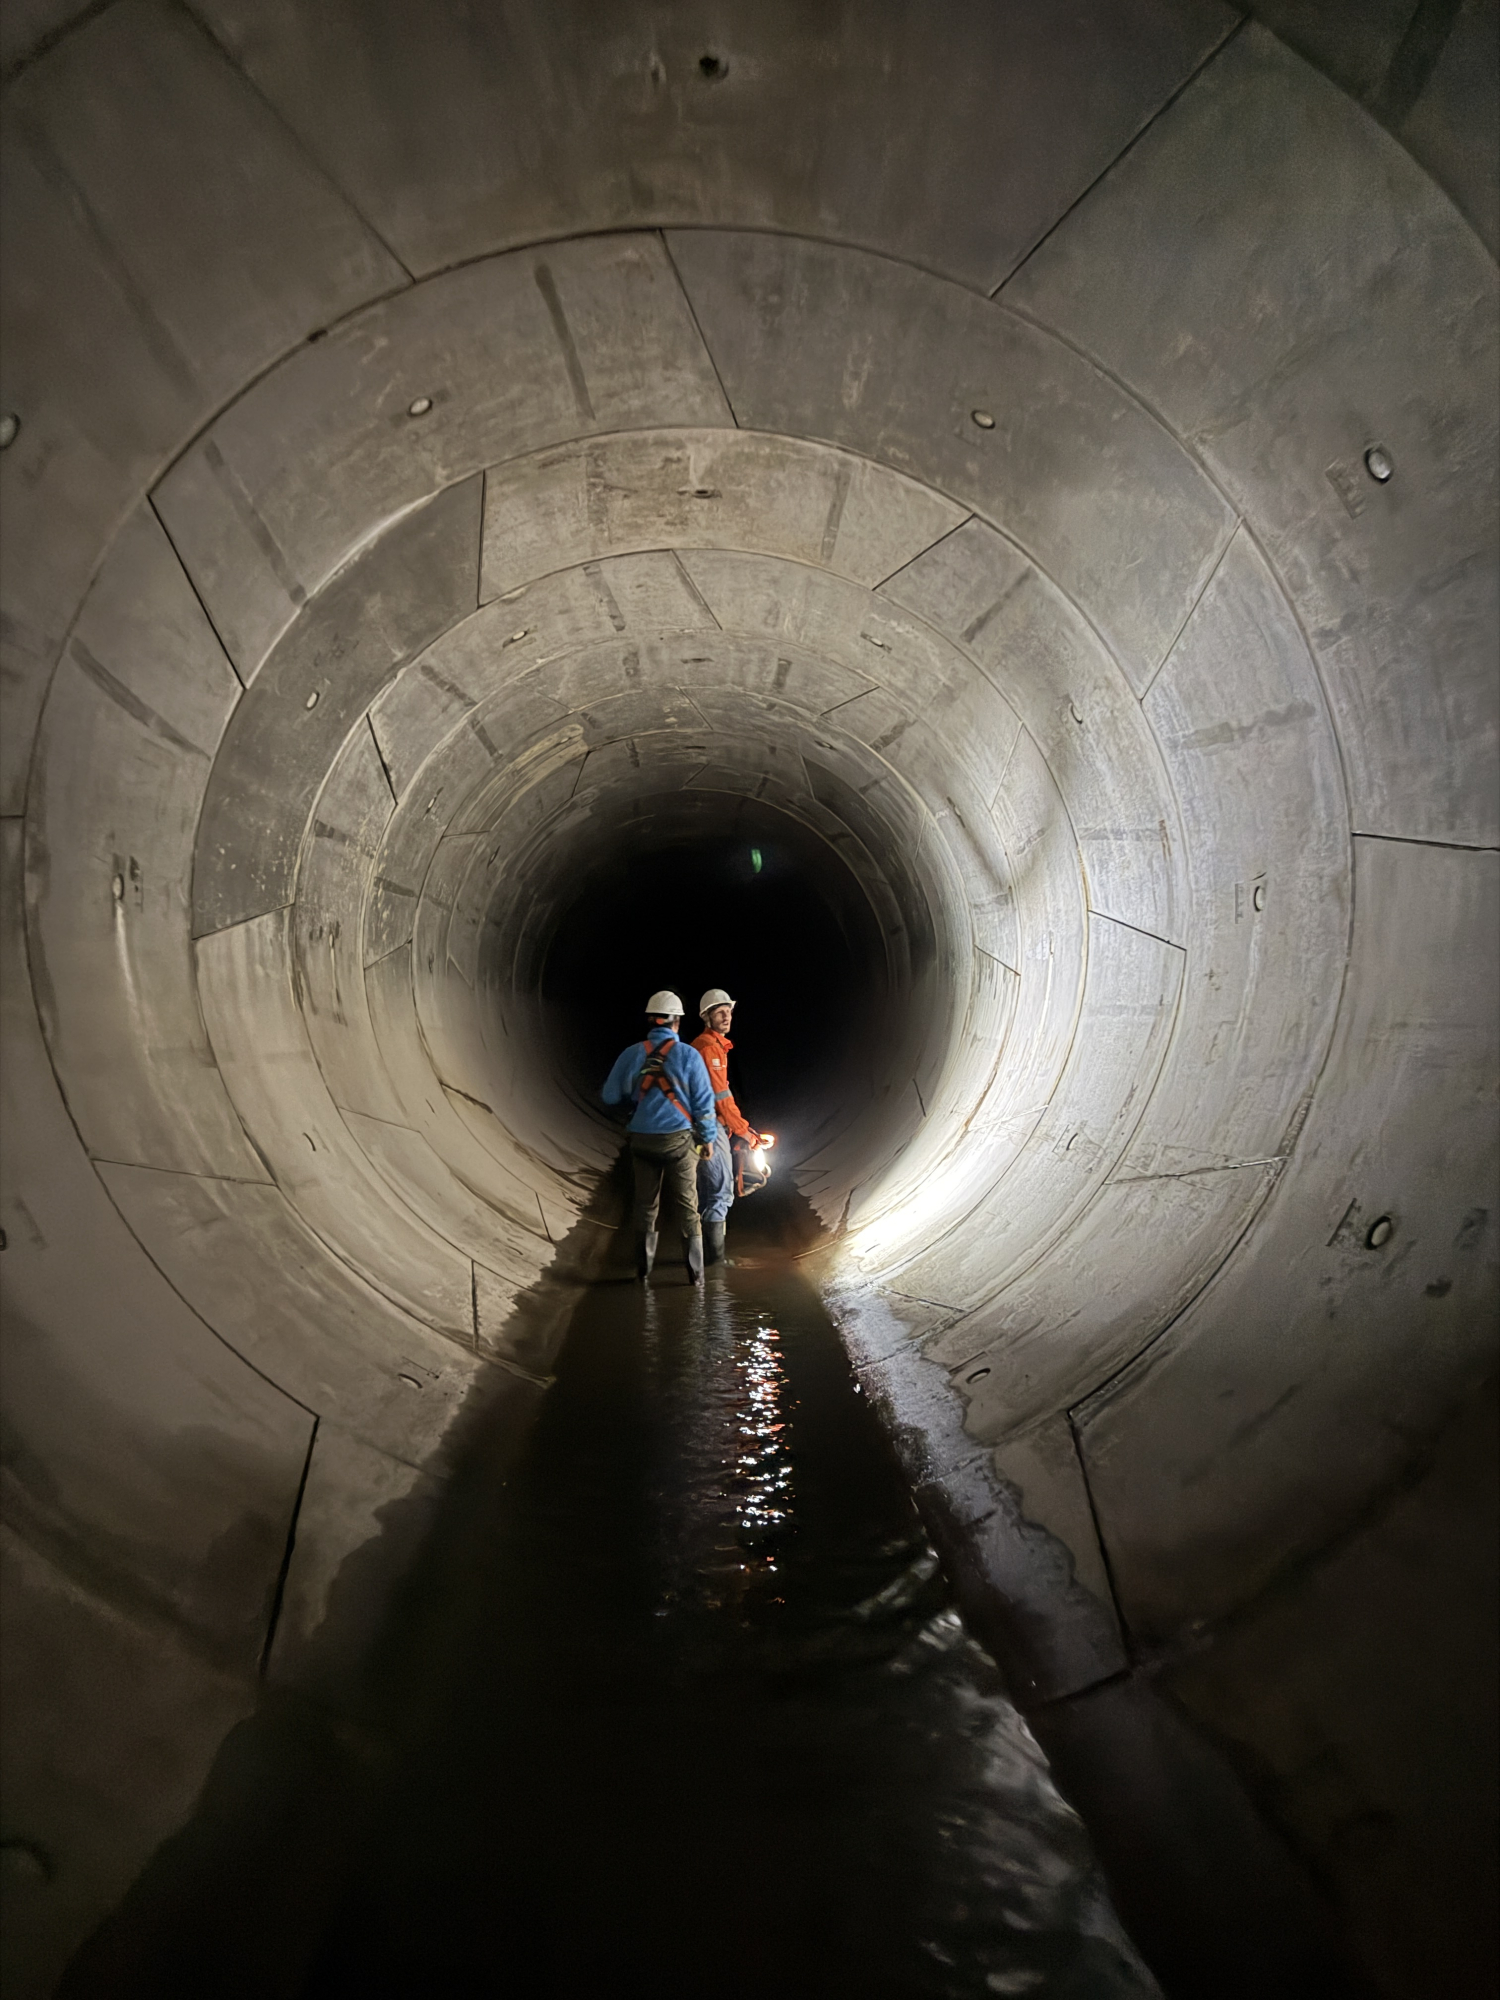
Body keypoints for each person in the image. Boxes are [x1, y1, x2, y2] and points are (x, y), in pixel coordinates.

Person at [602, 990, 717, 1284]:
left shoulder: (632, 1053)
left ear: (651, 1021)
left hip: (642, 1141)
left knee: (645, 1205)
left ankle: (642, 1272)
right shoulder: (689, 1055)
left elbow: (610, 1095)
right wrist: (707, 1140)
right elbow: (704, 1104)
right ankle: (696, 1276)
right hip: (679, 1142)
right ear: (676, 1022)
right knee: (687, 1207)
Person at [690, 988, 769, 1265]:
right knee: (720, 1192)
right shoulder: (709, 1048)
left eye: (729, 1012)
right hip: (709, 1127)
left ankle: (701, 1259)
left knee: (705, 1192)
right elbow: (720, 1098)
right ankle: (715, 1263)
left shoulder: (710, 1046)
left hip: (701, 1126)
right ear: (706, 1017)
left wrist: (742, 1128)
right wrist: (744, 1131)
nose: (726, 1017)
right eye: (719, 1012)